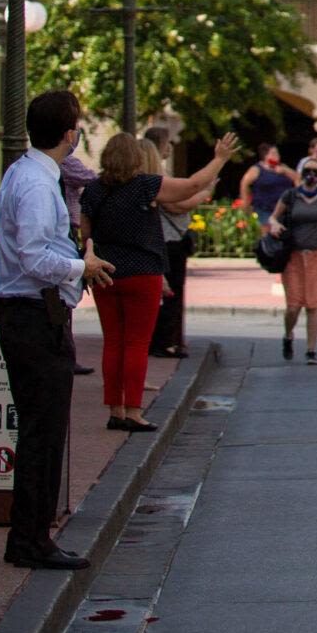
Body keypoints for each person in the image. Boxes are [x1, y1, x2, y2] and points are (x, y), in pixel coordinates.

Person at [0, 89, 115, 570]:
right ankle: (29, 539)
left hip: (31, 311)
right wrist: (77, 268)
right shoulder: (38, 184)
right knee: (42, 432)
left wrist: (75, 263)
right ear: (69, 133)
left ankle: (31, 535)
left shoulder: (26, 173)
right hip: (32, 313)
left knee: (42, 429)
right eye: (77, 125)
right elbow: (33, 254)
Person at [80, 129, 233, 429]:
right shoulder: (145, 186)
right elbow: (192, 186)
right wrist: (219, 160)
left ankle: (115, 409)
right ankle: (134, 411)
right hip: (143, 272)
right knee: (136, 343)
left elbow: (85, 234)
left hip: (105, 273)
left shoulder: (94, 190)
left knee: (113, 341)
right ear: (136, 159)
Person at [264, 157, 317, 364]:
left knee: (312, 305)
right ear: (301, 173)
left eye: (316, 171)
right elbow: (273, 217)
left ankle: (311, 350)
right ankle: (288, 334)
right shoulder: (291, 195)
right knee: (293, 306)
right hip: (293, 255)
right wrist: (275, 225)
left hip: (316, 254)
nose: (311, 175)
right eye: (308, 170)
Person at [141, 126, 194, 360]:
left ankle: (168, 339)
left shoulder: (153, 178)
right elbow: (178, 202)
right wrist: (206, 188)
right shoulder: (151, 180)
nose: (170, 148)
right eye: (167, 143)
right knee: (168, 292)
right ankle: (163, 341)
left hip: (161, 241)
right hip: (164, 242)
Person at [244, 144, 292, 222]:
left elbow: (297, 178)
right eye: (273, 153)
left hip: (284, 210)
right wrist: (246, 205)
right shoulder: (256, 169)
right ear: (265, 156)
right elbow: (244, 184)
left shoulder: (283, 167)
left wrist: (285, 171)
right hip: (264, 210)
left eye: (277, 153)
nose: (277, 156)